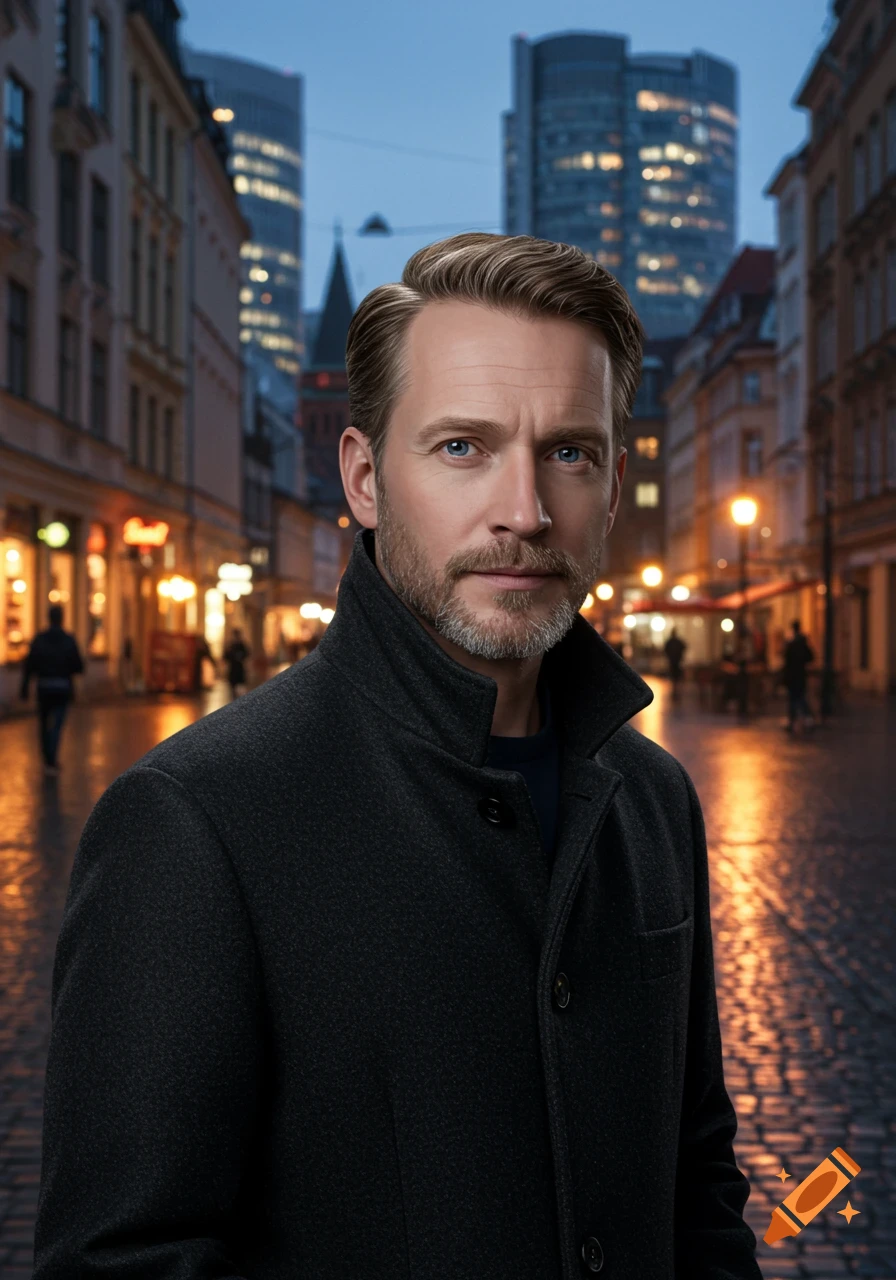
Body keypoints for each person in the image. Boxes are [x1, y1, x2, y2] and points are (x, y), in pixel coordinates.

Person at [34, 233, 763, 1280]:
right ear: (366, 477)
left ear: (608, 489)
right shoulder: (197, 819)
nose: (522, 509)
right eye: (461, 446)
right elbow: (123, 1258)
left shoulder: (652, 799)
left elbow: (694, 1177)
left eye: (569, 450)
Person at [19, 604, 84, 775]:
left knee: (43, 724)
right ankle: (51, 759)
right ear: (62, 618)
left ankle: (47, 758)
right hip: (62, 687)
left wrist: (25, 687)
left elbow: (29, 665)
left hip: (44, 686)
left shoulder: (40, 639)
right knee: (56, 725)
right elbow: (78, 666)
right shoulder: (68, 639)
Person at [781, 619, 815, 733]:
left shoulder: (792, 644)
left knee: (794, 698)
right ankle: (806, 719)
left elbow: (786, 660)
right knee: (800, 697)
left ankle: (794, 720)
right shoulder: (802, 643)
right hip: (800, 674)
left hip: (793, 675)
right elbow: (810, 657)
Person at [223, 627, 250, 699]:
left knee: (240, 688)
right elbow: (225, 656)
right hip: (232, 669)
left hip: (239, 668)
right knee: (232, 687)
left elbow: (247, 654)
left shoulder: (242, 645)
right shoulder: (230, 646)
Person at [663, 626, 687, 702]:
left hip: (675, 661)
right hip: (675, 661)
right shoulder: (674, 641)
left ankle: (675, 690)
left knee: (675, 677)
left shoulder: (672, 641)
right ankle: (675, 690)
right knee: (675, 677)